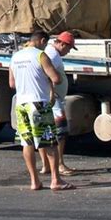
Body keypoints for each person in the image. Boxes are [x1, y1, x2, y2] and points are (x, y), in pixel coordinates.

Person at [9, 30, 74, 191]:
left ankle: (34, 181)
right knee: (49, 142)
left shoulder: (15, 57)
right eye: (45, 44)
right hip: (38, 104)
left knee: (27, 142)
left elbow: (12, 84)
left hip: (21, 104)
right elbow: (56, 78)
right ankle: (55, 180)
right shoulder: (40, 55)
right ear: (42, 41)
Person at [39, 31, 77, 176]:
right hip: (53, 98)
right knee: (60, 131)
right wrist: (51, 94)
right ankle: (59, 164)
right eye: (68, 48)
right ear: (61, 43)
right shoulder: (53, 55)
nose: (68, 52)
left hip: (51, 97)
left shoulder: (49, 52)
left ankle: (46, 165)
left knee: (44, 131)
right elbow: (48, 75)